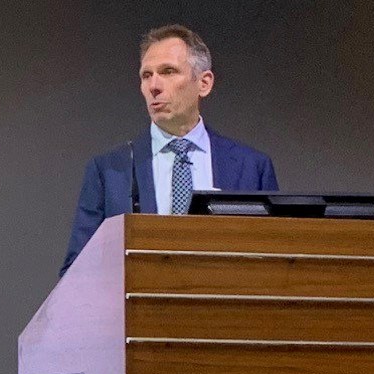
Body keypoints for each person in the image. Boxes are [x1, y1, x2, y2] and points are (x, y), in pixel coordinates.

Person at [60, 24, 278, 276]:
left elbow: (274, 264)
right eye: (146, 75)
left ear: (204, 83)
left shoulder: (252, 168)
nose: (154, 86)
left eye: (168, 71)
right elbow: (75, 273)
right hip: (140, 312)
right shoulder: (109, 172)